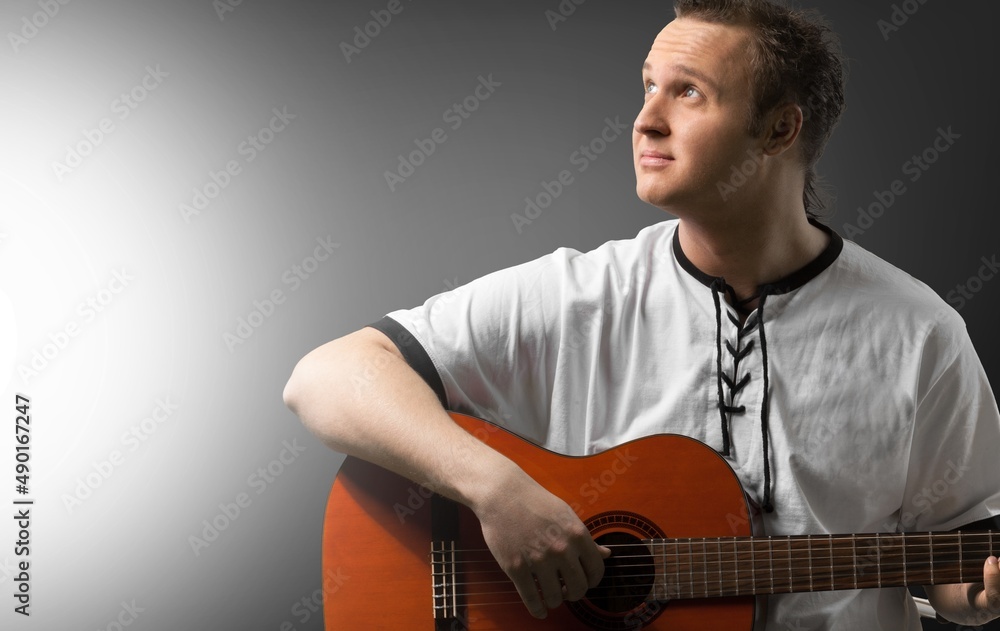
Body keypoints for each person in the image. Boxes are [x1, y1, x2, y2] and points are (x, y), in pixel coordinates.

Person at [283, 0, 1000, 628]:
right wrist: (497, 490)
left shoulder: (921, 335)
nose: (645, 119)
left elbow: (956, 554)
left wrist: (976, 593)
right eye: (648, 86)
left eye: (688, 93)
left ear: (780, 130)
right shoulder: (577, 296)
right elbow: (326, 378)